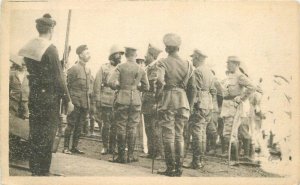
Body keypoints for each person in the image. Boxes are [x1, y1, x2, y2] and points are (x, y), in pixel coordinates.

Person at [18, 13, 73, 176]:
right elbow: (58, 78)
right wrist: (68, 100)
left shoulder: (30, 47)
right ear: (51, 30)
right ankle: (42, 172)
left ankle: (34, 169)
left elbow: (39, 69)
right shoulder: (50, 48)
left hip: (35, 95)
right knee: (47, 136)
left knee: (35, 134)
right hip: (49, 98)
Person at [155, 33, 194, 176]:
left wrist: (158, 95)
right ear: (178, 48)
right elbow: (192, 86)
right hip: (183, 101)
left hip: (168, 99)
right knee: (179, 135)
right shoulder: (188, 64)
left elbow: (160, 81)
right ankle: (179, 168)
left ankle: (170, 168)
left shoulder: (162, 62)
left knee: (168, 135)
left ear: (166, 48)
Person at [108, 46, 149, 163]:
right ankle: (130, 156)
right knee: (132, 127)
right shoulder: (141, 69)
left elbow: (110, 82)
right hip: (136, 100)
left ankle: (121, 156)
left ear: (125, 55)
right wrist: (136, 88)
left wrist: (119, 87)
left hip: (122, 98)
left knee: (121, 126)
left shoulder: (120, 67)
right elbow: (147, 87)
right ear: (135, 56)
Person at [220, 56, 255, 163]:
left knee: (230, 133)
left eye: (229, 63)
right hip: (227, 106)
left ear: (236, 64)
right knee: (228, 133)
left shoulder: (240, 76)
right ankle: (232, 158)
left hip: (233, 107)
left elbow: (252, 87)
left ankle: (234, 160)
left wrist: (241, 98)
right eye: (227, 63)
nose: (227, 65)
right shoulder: (230, 76)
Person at [185, 49, 215, 169]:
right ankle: (200, 160)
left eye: (193, 58)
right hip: (208, 104)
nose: (192, 60)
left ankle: (196, 162)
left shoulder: (197, 71)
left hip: (199, 104)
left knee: (197, 133)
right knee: (202, 133)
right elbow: (213, 90)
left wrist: (191, 106)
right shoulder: (209, 71)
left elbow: (194, 89)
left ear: (197, 58)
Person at [94, 45, 124, 155]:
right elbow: (97, 84)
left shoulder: (122, 68)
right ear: (112, 56)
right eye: (118, 55)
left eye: (121, 55)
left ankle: (113, 147)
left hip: (117, 100)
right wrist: (97, 99)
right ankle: (105, 146)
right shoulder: (103, 68)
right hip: (105, 100)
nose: (120, 57)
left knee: (115, 126)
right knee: (105, 125)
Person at [63, 45, 91, 155]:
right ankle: (65, 147)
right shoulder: (74, 68)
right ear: (80, 55)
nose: (89, 55)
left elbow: (87, 88)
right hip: (74, 102)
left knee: (79, 126)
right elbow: (67, 86)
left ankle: (74, 147)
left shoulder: (88, 70)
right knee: (70, 124)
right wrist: (68, 102)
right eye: (87, 53)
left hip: (84, 103)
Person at [141, 44, 164, 159]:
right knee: (148, 127)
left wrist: (157, 102)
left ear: (152, 56)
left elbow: (155, 85)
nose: (144, 58)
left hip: (153, 101)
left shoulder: (155, 67)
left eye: (146, 56)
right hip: (147, 102)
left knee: (155, 128)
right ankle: (151, 152)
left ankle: (158, 153)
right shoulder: (148, 67)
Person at [9, 55, 29, 119]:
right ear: (18, 64)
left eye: (25, 65)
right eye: (22, 64)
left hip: (25, 98)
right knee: (12, 115)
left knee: (25, 115)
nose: (23, 66)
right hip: (14, 98)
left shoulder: (29, 75)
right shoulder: (12, 74)